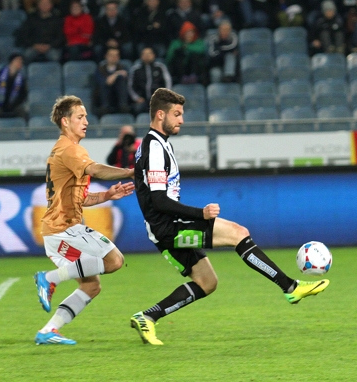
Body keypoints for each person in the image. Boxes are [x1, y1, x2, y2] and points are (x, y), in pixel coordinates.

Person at [129, 88, 330, 345]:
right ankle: (291, 288)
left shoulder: (157, 144)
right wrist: (199, 213)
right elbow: (158, 199)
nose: (181, 120)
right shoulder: (154, 146)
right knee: (238, 233)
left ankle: (148, 317)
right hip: (169, 227)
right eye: (177, 114)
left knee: (207, 281)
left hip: (162, 229)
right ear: (160, 114)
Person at [32, 95, 135, 345]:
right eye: (80, 117)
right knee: (114, 260)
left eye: (86, 116)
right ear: (66, 122)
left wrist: (107, 195)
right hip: (64, 229)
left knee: (91, 286)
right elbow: (97, 170)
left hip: (58, 230)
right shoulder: (70, 149)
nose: (86, 121)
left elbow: (81, 199)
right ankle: (50, 278)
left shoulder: (65, 150)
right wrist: (133, 171)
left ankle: (48, 331)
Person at [14, 0, 65, 64]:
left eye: (47, 4)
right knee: (26, 56)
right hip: (34, 45)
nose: (44, 6)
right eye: (42, 4)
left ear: (51, 5)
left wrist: (49, 46)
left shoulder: (57, 19)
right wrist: (35, 45)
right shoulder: (31, 18)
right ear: (38, 5)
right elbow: (25, 35)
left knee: (55, 57)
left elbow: (60, 37)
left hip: (51, 46)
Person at [128, 47, 171, 116]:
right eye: (144, 54)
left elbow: (167, 82)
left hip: (158, 98)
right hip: (142, 99)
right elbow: (130, 86)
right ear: (141, 56)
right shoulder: (135, 69)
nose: (147, 56)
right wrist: (137, 98)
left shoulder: (160, 67)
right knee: (137, 108)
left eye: (149, 54)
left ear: (153, 55)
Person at [0, 53, 28, 121]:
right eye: (18, 61)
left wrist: (14, 105)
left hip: (14, 105)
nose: (20, 63)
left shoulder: (21, 79)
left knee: (22, 113)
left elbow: (23, 95)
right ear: (12, 62)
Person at [166, 21, 208, 85]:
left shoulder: (198, 42)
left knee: (195, 55)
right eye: (187, 32)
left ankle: (193, 76)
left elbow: (201, 50)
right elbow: (169, 57)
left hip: (194, 67)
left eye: (191, 32)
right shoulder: (176, 43)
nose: (189, 35)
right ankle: (182, 77)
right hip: (180, 67)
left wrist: (187, 46)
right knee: (178, 53)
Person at [94, 47, 130, 117]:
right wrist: (116, 74)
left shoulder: (123, 67)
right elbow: (106, 82)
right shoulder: (100, 69)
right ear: (106, 56)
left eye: (116, 55)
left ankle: (123, 106)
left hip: (119, 96)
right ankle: (105, 107)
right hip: (105, 97)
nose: (114, 57)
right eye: (111, 55)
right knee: (103, 85)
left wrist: (115, 75)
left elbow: (127, 77)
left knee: (121, 81)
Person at [207, 19, 238, 83]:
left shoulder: (233, 37)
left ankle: (228, 76)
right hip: (216, 64)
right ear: (219, 30)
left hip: (229, 65)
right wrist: (225, 51)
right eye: (223, 30)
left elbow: (233, 46)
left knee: (230, 56)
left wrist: (219, 49)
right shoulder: (213, 38)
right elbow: (212, 54)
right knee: (216, 74)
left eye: (227, 30)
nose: (225, 32)